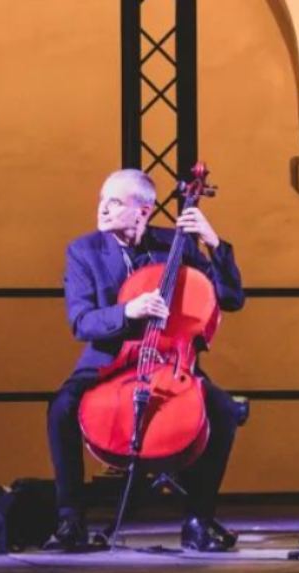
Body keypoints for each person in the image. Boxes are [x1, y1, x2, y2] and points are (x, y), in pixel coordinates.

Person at [46, 169, 244, 552]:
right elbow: (81, 321)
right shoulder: (84, 251)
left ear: (144, 210)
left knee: (221, 411)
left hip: (171, 360)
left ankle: (197, 519)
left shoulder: (177, 246)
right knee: (61, 409)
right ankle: (70, 519)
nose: (102, 208)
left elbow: (231, 298)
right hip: (109, 360)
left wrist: (213, 243)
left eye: (115, 202)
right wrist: (128, 311)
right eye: (102, 198)